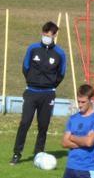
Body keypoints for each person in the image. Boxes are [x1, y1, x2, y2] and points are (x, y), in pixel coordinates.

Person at [10, 21, 66, 165]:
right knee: (25, 122)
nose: (47, 36)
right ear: (42, 33)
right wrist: (32, 81)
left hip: (48, 94)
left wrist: (50, 84)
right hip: (31, 92)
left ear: (55, 35)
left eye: (50, 34)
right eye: (45, 33)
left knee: (43, 125)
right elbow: (25, 67)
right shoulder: (33, 48)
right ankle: (17, 153)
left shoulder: (60, 53)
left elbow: (61, 73)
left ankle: (38, 153)